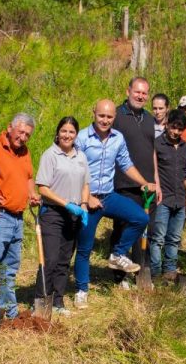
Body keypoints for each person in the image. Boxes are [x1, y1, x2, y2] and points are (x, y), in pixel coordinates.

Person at [73, 100, 159, 308]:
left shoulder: (117, 138)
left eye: (109, 117)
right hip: (88, 199)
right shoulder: (82, 138)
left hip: (109, 196)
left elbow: (126, 164)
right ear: (94, 113)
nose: (105, 120)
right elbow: (74, 170)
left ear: (114, 118)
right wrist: (86, 199)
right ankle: (82, 290)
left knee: (140, 217)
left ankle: (117, 254)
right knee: (85, 247)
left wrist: (144, 182)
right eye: (101, 116)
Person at [0, 114, 39, 320]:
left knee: (10, 268)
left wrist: (32, 193)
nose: (23, 137)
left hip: (18, 217)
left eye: (27, 135)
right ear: (9, 128)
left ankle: (9, 311)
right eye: (20, 132)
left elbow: (29, 177)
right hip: (1, 215)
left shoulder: (25, 152)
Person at [35, 117, 90, 314]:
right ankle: (42, 299)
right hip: (53, 213)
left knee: (65, 259)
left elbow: (85, 184)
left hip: (73, 215)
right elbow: (42, 188)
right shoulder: (50, 155)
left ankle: (58, 301)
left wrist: (83, 205)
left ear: (76, 135)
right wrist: (65, 203)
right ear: (58, 133)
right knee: (50, 258)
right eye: (64, 131)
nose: (67, 135)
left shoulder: (81, 157)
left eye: (71, 132)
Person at [110, 77, 158, 283]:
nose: (140, 96)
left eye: (144, 93)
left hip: (147, 186)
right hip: (124, 185)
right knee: (122, 229)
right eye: (137, 92)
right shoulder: (117, 116)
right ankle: (120, 276)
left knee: (144, 230)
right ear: (128, 91)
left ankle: (140, 272)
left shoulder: (149, 118)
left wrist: (156, 180)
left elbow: (152, 151)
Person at [151, 108, 186, 282]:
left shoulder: (184, 147)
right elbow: (153, 171)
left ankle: (170, 270)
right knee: (158, 237)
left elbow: (185, 173)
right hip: (163, 198)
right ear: (166, 125)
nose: (176, 132)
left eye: (180, 129)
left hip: (180, 199)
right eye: (173, 127)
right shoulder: (157, 144)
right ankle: (154, 271)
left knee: (174, 238)